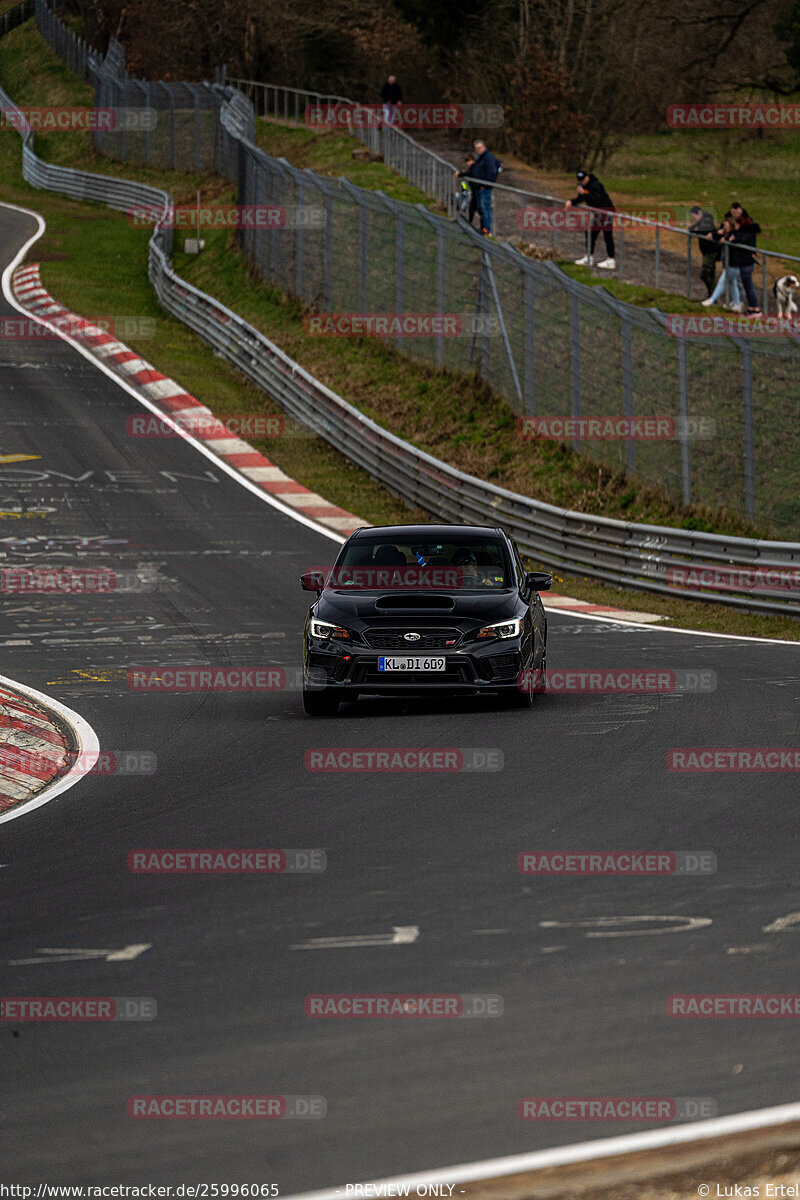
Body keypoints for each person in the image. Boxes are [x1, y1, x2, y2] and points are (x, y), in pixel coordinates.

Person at [566, 170, 615, 269]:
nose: (581, 182)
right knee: (590, 233)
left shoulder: (596, 185)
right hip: (598, 214)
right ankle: (589, 257)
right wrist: (571, 201)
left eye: (583, 180)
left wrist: (584, 192)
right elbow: (581, 198)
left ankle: (611, 260)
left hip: (606, 212)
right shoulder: (582, 186)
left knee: (607, 235)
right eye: (580, 180)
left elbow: (595, 199)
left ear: (587, 177)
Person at [702, 215, 743, 310]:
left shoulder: (734, 234)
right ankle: (737, 304)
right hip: (729, 263)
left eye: (726, 225)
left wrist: (727, 240)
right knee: (733, 284)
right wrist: (714, 234)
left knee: (722, 282)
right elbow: (717, 235)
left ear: (731, 225)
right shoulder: (726, 233)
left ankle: (711, 300)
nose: (724, 227)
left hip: (734, 264)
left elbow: (735, 240)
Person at [730, 203, 762, 315]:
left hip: (746, 260)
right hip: (744, 259)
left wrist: (734, 238)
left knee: (749, 286)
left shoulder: (746, 229)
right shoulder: (745, 227)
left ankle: (755, 309)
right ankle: (752, 308)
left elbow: (745, 239)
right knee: (747, 286)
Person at [470, 140, 501, 235]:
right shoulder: (480, 158)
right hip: (478, 187)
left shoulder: (488, 158)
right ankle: (483, 228)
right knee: (480, 208)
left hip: (484, 188)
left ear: (484, 147)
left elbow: (492, 172)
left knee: (485, 208)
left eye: (479, 148)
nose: (478, 150)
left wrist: (486, 185)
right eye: (476, 148)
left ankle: (487, 230)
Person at [688, 205, 718, 297]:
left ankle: (713, 293)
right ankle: (712, 295)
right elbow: (691, 229)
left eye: (694, 216)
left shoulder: (707, 219)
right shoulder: (701, 221)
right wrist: (696, 229)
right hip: (706, 252)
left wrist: (697, 229)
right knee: (711, 273)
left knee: (704, 273)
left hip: (711, 251)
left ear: (699, 214)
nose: (693, 219)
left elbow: (701, 230)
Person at [456, 155, 479, 225]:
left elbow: (469, 173)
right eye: (467, 162)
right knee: (472, 208)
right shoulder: (473, 167)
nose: (467, 163)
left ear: (473, 161)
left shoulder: (474, 167)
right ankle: (469, 222)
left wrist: (461, 174)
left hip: (476, 190)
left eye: (468, 161)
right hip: (473, 190)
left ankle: (470, 223)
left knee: (475, 208)